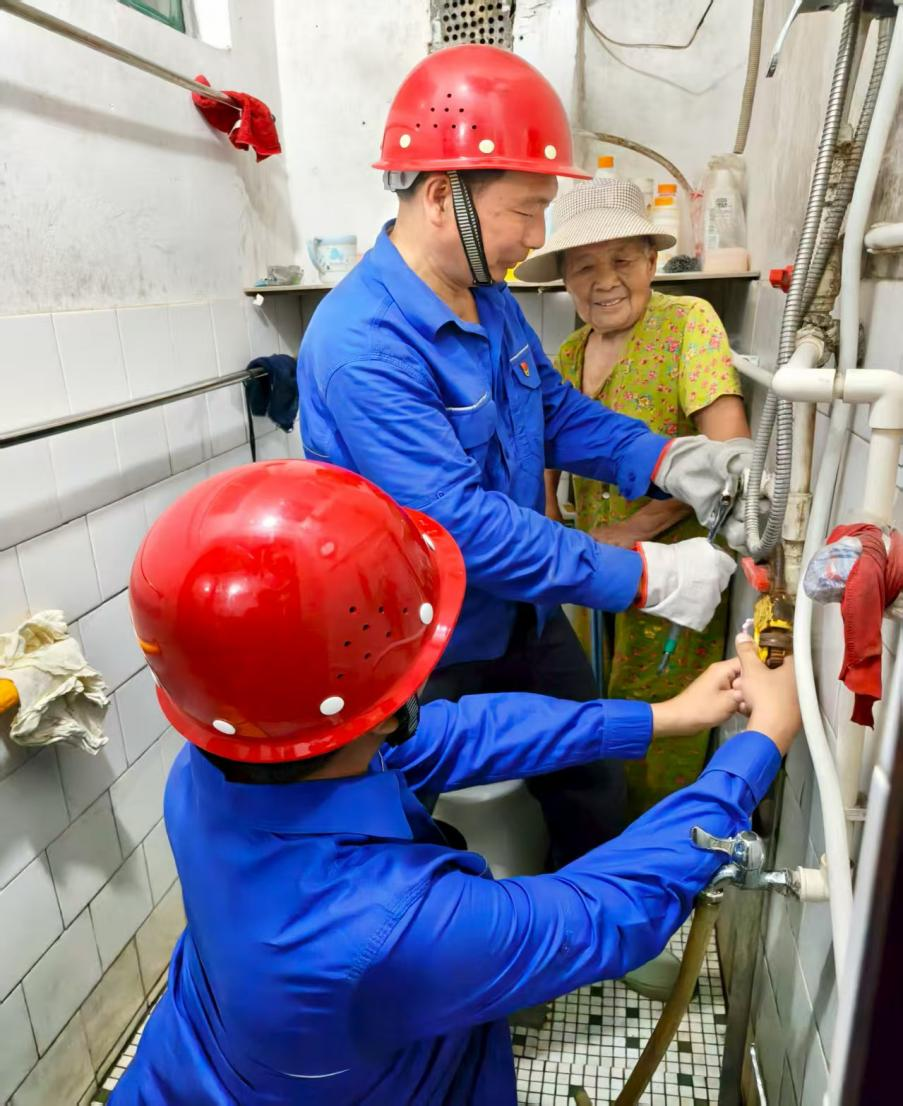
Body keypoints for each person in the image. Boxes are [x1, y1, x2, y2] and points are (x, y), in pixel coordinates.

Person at [111, 460, 799, 1106]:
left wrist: (661, 717)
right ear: (383, 711)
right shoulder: (386, 927)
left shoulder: (210, 769)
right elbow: (603, 912)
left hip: (189, 1070)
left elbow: (458, 734)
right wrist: (759, 744)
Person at [297, 43, 763, 866]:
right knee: (399, 825)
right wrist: (646, 577)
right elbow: (459, 527)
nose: (537, 236)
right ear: (441, 197)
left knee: (590, 782)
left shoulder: (490, 300)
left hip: (522, 615)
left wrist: (669, 460)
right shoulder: (363, 345)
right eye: (524, 211)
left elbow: (554, 413)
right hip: (417, 646)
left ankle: (591, 925)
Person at [516, 177, 751, 818]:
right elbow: (547, 442)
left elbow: (728, 456)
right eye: (584, 266)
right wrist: (550, 518)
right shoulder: (569, 350)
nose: (605, 281)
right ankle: (607, 847)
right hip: (592, 566)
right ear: (564, 279)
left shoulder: (688, 323)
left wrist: (634, 530)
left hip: (677, 572)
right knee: (599, 710)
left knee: (662, 723)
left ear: (651, 260)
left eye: (622, 259)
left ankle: (657, 853)